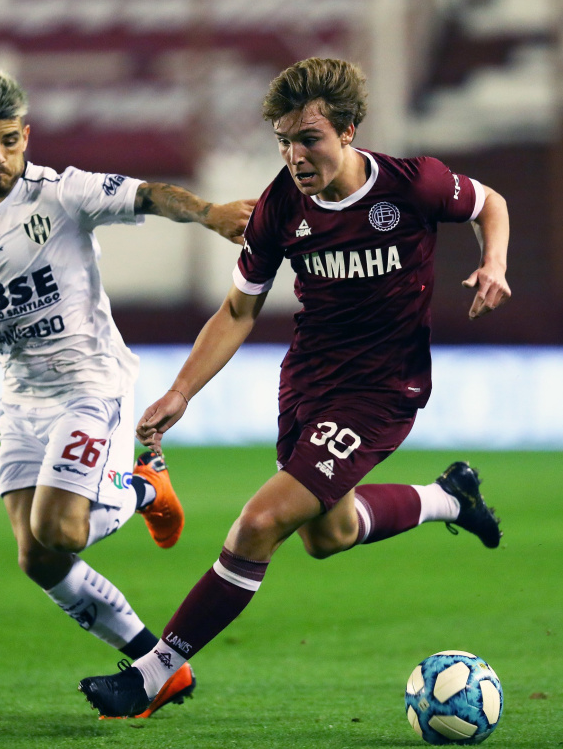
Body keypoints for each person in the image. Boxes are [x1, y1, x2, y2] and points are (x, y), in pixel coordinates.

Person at [78, 57, 511, 718]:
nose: (294, 154)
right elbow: (238, 309)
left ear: (349, 131)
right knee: (326, 534)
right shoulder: (280, 206)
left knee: (261, 524)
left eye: (308, 138)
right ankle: (449, 499)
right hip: (310, 383)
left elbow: (492, 204)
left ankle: (155, 671)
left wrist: (493, 264)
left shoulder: (414, 185)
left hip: (381, 389)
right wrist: (181, 392)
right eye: (283, 140)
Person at [0, 68, 254, 718]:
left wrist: (211, 215)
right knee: (36, 558)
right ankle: (157, 663)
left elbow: (150, 195)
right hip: (22, 399)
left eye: (10, 142)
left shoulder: (61, 193)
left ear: (26, 136)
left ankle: (140, 486)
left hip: (91, 384)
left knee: (60, 530)